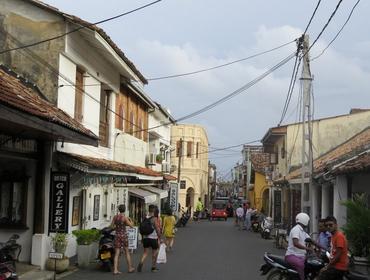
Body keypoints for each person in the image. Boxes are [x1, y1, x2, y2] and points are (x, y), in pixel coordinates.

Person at [285, 212, 311, 280]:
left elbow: (311, 240)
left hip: (300, 256)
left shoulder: (302, 231)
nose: (308, 223)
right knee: (301, 265)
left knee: (311, 264)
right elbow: (295, 243)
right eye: (308, 221)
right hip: (292, 255)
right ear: (304, 220)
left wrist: (320, 247)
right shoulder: (296, 229)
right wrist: (307, 248)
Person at [137, 204, 163, 273]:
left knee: (145, 253)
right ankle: (153, 267)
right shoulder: (154, 219)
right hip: (153, 238)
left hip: (145, 238)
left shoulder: (145, 218)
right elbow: (157, 229)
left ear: (149, 210)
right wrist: (160, 238)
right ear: (154, 210)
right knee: (154, 253)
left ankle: (141, 262)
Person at [111, 204, 135, 275]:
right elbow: (131, 226)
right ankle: (130, 268)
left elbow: (112, 226)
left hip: (117, 235)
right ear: (124, 210)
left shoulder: (115, 217)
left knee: (117, 253)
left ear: (119, 210)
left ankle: (115, 270)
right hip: (124, 236)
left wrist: (116, 227)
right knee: (127, 252)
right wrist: (130, 220)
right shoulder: (124, 218)